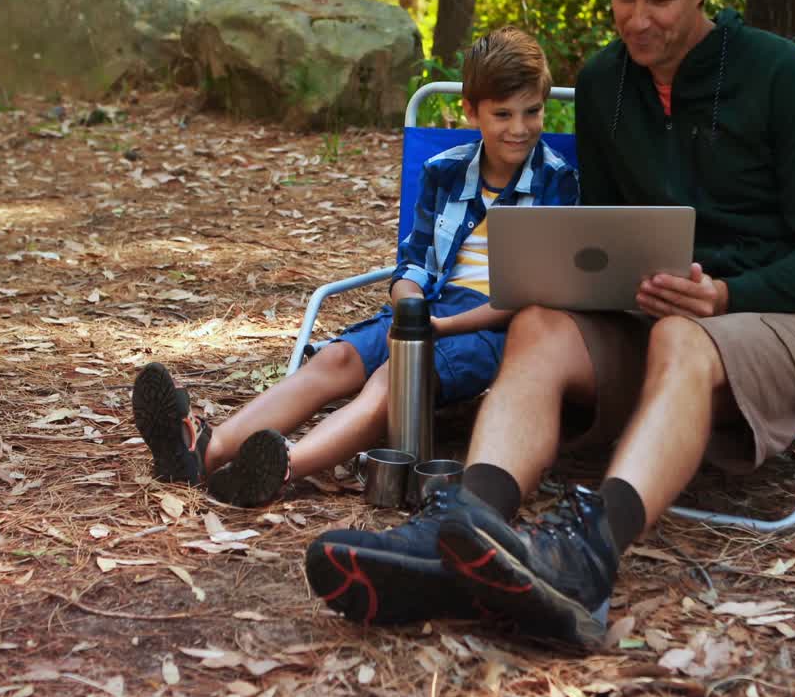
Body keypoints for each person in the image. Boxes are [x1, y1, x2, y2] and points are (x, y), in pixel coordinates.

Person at [305, 0, 795, 646]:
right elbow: (606, 235)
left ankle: (588, 556)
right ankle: (468, 529)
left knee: (685, 335)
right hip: (649, 314)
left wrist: (728, 295)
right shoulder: (605, 84)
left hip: (777, 315)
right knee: (538, 321)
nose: (637, 18)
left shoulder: (780, 73)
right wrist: (605, 284)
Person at [130, 27, 579, 513]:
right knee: (336, 360)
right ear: (471, 112)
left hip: (497, 327)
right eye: (503, 114)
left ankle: (282, 468)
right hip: (428, 306)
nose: (520, 128)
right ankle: (205, 451)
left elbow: (533, 295)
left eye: (532, 111)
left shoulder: (558, 181)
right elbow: (411, 265)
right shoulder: (444, 171)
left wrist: (436, 327)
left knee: (395, 377)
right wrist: (410, 310)